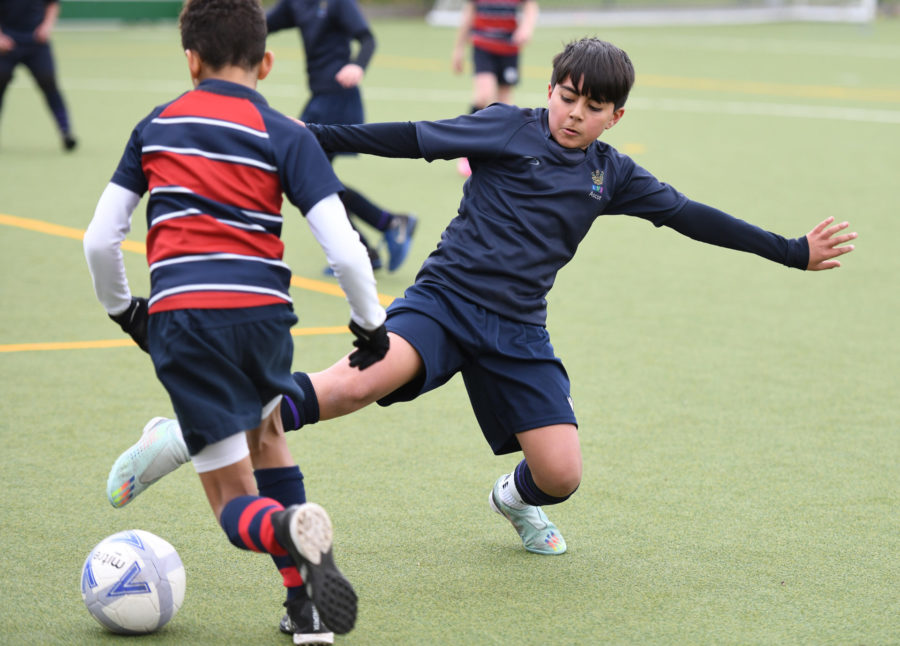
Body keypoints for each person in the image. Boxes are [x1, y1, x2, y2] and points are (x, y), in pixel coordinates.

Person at [105, 38, 857, 563]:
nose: (574, 114)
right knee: (352, 386)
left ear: (614, 117)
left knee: (561, 475)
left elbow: (692, 215)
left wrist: (790, 251)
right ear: (551, 89)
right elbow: (411, 136)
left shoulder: (612, 174)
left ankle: (511, 498)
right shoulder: (507, 127)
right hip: (443, 302)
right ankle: (188, 431)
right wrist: (313, 133)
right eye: (567, 97)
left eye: (593, 108)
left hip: (519, 331)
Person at [83, 0, 392, 642]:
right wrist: (372, 325)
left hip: (188, 320)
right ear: (268, 61)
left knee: (233, 505)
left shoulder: (156, 125)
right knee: (270, 436)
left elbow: (98, 240)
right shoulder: (288, 133)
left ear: (191, 60)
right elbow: (344, 249)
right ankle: (306, 611)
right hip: (265, 319)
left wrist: (126, 311)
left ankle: (284, 529)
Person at [266, 0, 418, 274]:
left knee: (311, 177)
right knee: (312, 178)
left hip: (339, 98)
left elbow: (368, 39)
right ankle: (383, 231)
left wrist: (357, 66)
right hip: (319, 100)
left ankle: (380, 233)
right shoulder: (295, 4)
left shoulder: (337, 2)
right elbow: (260, 26)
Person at [451, 0, 538, 177]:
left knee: (504, 106)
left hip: (509, 49)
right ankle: (467, 149)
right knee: (483, 96)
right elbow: (468, 14)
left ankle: (500, 154)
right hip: (483, 46)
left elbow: (531, 6)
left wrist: (526, 28)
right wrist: (459, 48)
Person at [0, 0, 76, 150]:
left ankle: (66, 132)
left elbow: (52, 4)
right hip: (6, 42)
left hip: (36, 41)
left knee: (48, 81)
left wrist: (47, 26)